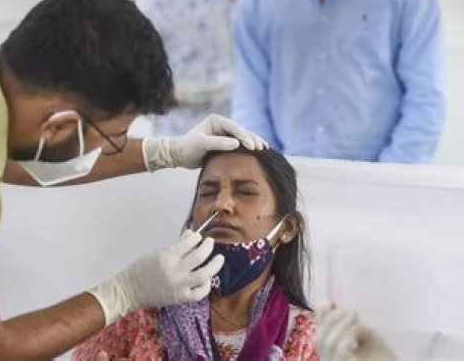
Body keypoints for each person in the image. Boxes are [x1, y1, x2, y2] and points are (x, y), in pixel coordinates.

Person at [0, 0, 266, 360]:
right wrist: (122, 293)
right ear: (57, 126)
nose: (223, 205)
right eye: (113, 137)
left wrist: (166, 152)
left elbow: (13, 157)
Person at [73, 147, 319, 360]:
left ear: (287, 228)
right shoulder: (134, 318)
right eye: (209, 192)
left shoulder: (310, 337)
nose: (220, 204)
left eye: (245, 192)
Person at [232, 0, 446, 163]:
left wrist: (390, 176)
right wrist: (271, 173)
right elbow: (250, 97)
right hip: (288, 175)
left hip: (384, 174)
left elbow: (425, 94)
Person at [143, 0, 251, 135]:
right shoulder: (165, 5)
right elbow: (136, 84)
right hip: (181, 139)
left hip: (255, 139)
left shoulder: (269, 1)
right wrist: (181, 94)